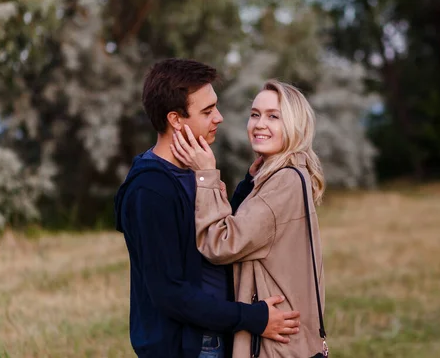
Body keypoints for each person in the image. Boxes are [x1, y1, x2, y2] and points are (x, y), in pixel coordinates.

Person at [114, 60, 301, 358]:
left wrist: (246, 186)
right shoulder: (150, 190)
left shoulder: (191, 170)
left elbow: (210, 240)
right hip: (187, 347)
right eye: (207, 111)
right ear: (175, 119)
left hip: (215, 339)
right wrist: (253, 318)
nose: (220, 117)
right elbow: (169, 293)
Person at [171, 80, 326, 357]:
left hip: (274, 345)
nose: (259, 124)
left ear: (295, 125)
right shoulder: (289, 175)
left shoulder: (283, 183)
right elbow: (252, 233)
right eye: (255, 114)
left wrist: (205, 175)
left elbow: (220, 244)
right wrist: (246, 185)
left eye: (273, 116)